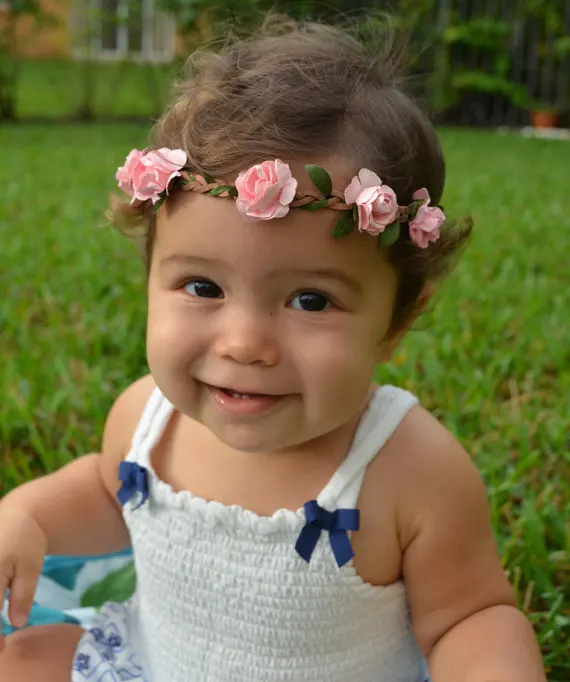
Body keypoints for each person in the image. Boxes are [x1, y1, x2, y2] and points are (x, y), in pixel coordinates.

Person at [0, 16, 545, 682]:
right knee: (19, 659)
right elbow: (107, 495)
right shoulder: (147, 419)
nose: (245, 344)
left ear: (397, 321)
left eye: (310, 300)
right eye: (202, 286)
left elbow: (471, 617)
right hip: (146, 663)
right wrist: (28, 517)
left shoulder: (412, 471)